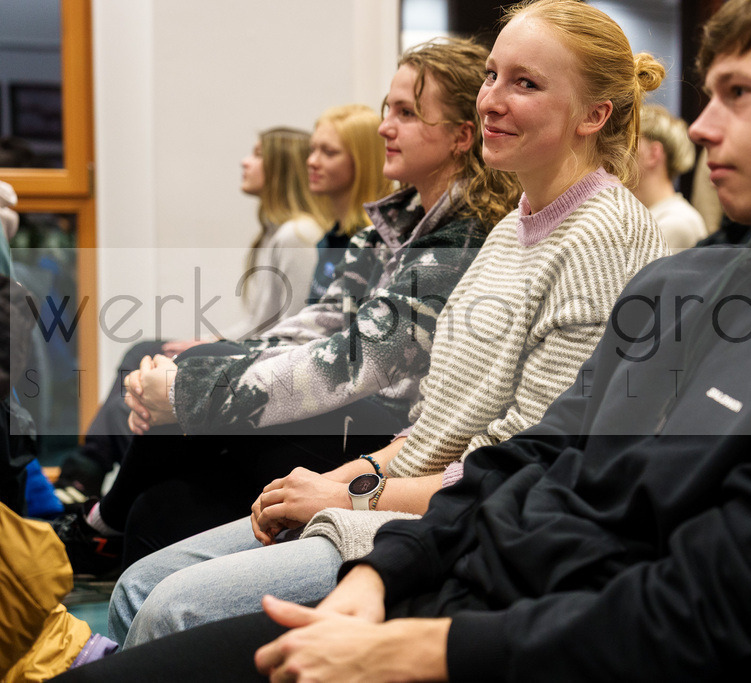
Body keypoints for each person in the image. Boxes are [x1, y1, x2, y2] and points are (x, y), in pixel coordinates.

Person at [53, 0, 751, 679]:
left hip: (504, 639)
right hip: (452, 585)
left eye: (738, 94)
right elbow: (531, 454)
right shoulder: (687, 281)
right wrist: (387, 573)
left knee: (168, 602)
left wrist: (426, 640)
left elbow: (702, 615)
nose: (704, 124)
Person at [108, 0, 667, 646]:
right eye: (491, 75)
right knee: (142, 582)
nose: (491, 100)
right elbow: (433, 426)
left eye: (525, 83)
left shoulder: (602, 234)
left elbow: (525, 471)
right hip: (406, 495)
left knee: (168, 605)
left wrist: (351, 498)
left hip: (466, 526)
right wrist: (340, 479)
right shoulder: (515, 225)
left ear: (594, 114)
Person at [54, 38, 519, 578]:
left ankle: (96, 527)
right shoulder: (393, 224)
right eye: (387, 109)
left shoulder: (460, 240)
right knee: (157, 501)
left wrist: (189, 389)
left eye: (407, 113)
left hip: (385, 439)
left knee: (164, 491)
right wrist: (198, 373)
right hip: (346, 418)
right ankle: (103, 525)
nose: (384, 127)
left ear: (463, 136)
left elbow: (355, 361)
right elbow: (317, 323)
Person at [52, 124, 347, 505]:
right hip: (259, 346)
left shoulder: (296, 236)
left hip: (273, 358)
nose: (245, 161)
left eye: (257, 154)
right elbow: (263, 318)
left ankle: (92, 480)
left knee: (151, 366)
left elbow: (289, 324)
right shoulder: (278, 232)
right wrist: (213, 340)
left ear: (278, 168)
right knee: (140, 352)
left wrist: (214, 345)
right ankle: (91, 475)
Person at [305, 106, 394, 303]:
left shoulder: (377, 244)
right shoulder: (331, 236)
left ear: (362, 161)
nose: (312, 161)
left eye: (328, 152)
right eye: (312, 150)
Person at [633, 104, 706, 250]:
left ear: (653, 154)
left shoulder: (677, 223)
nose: (615, 154)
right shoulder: (650, 217)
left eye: (627, 143)